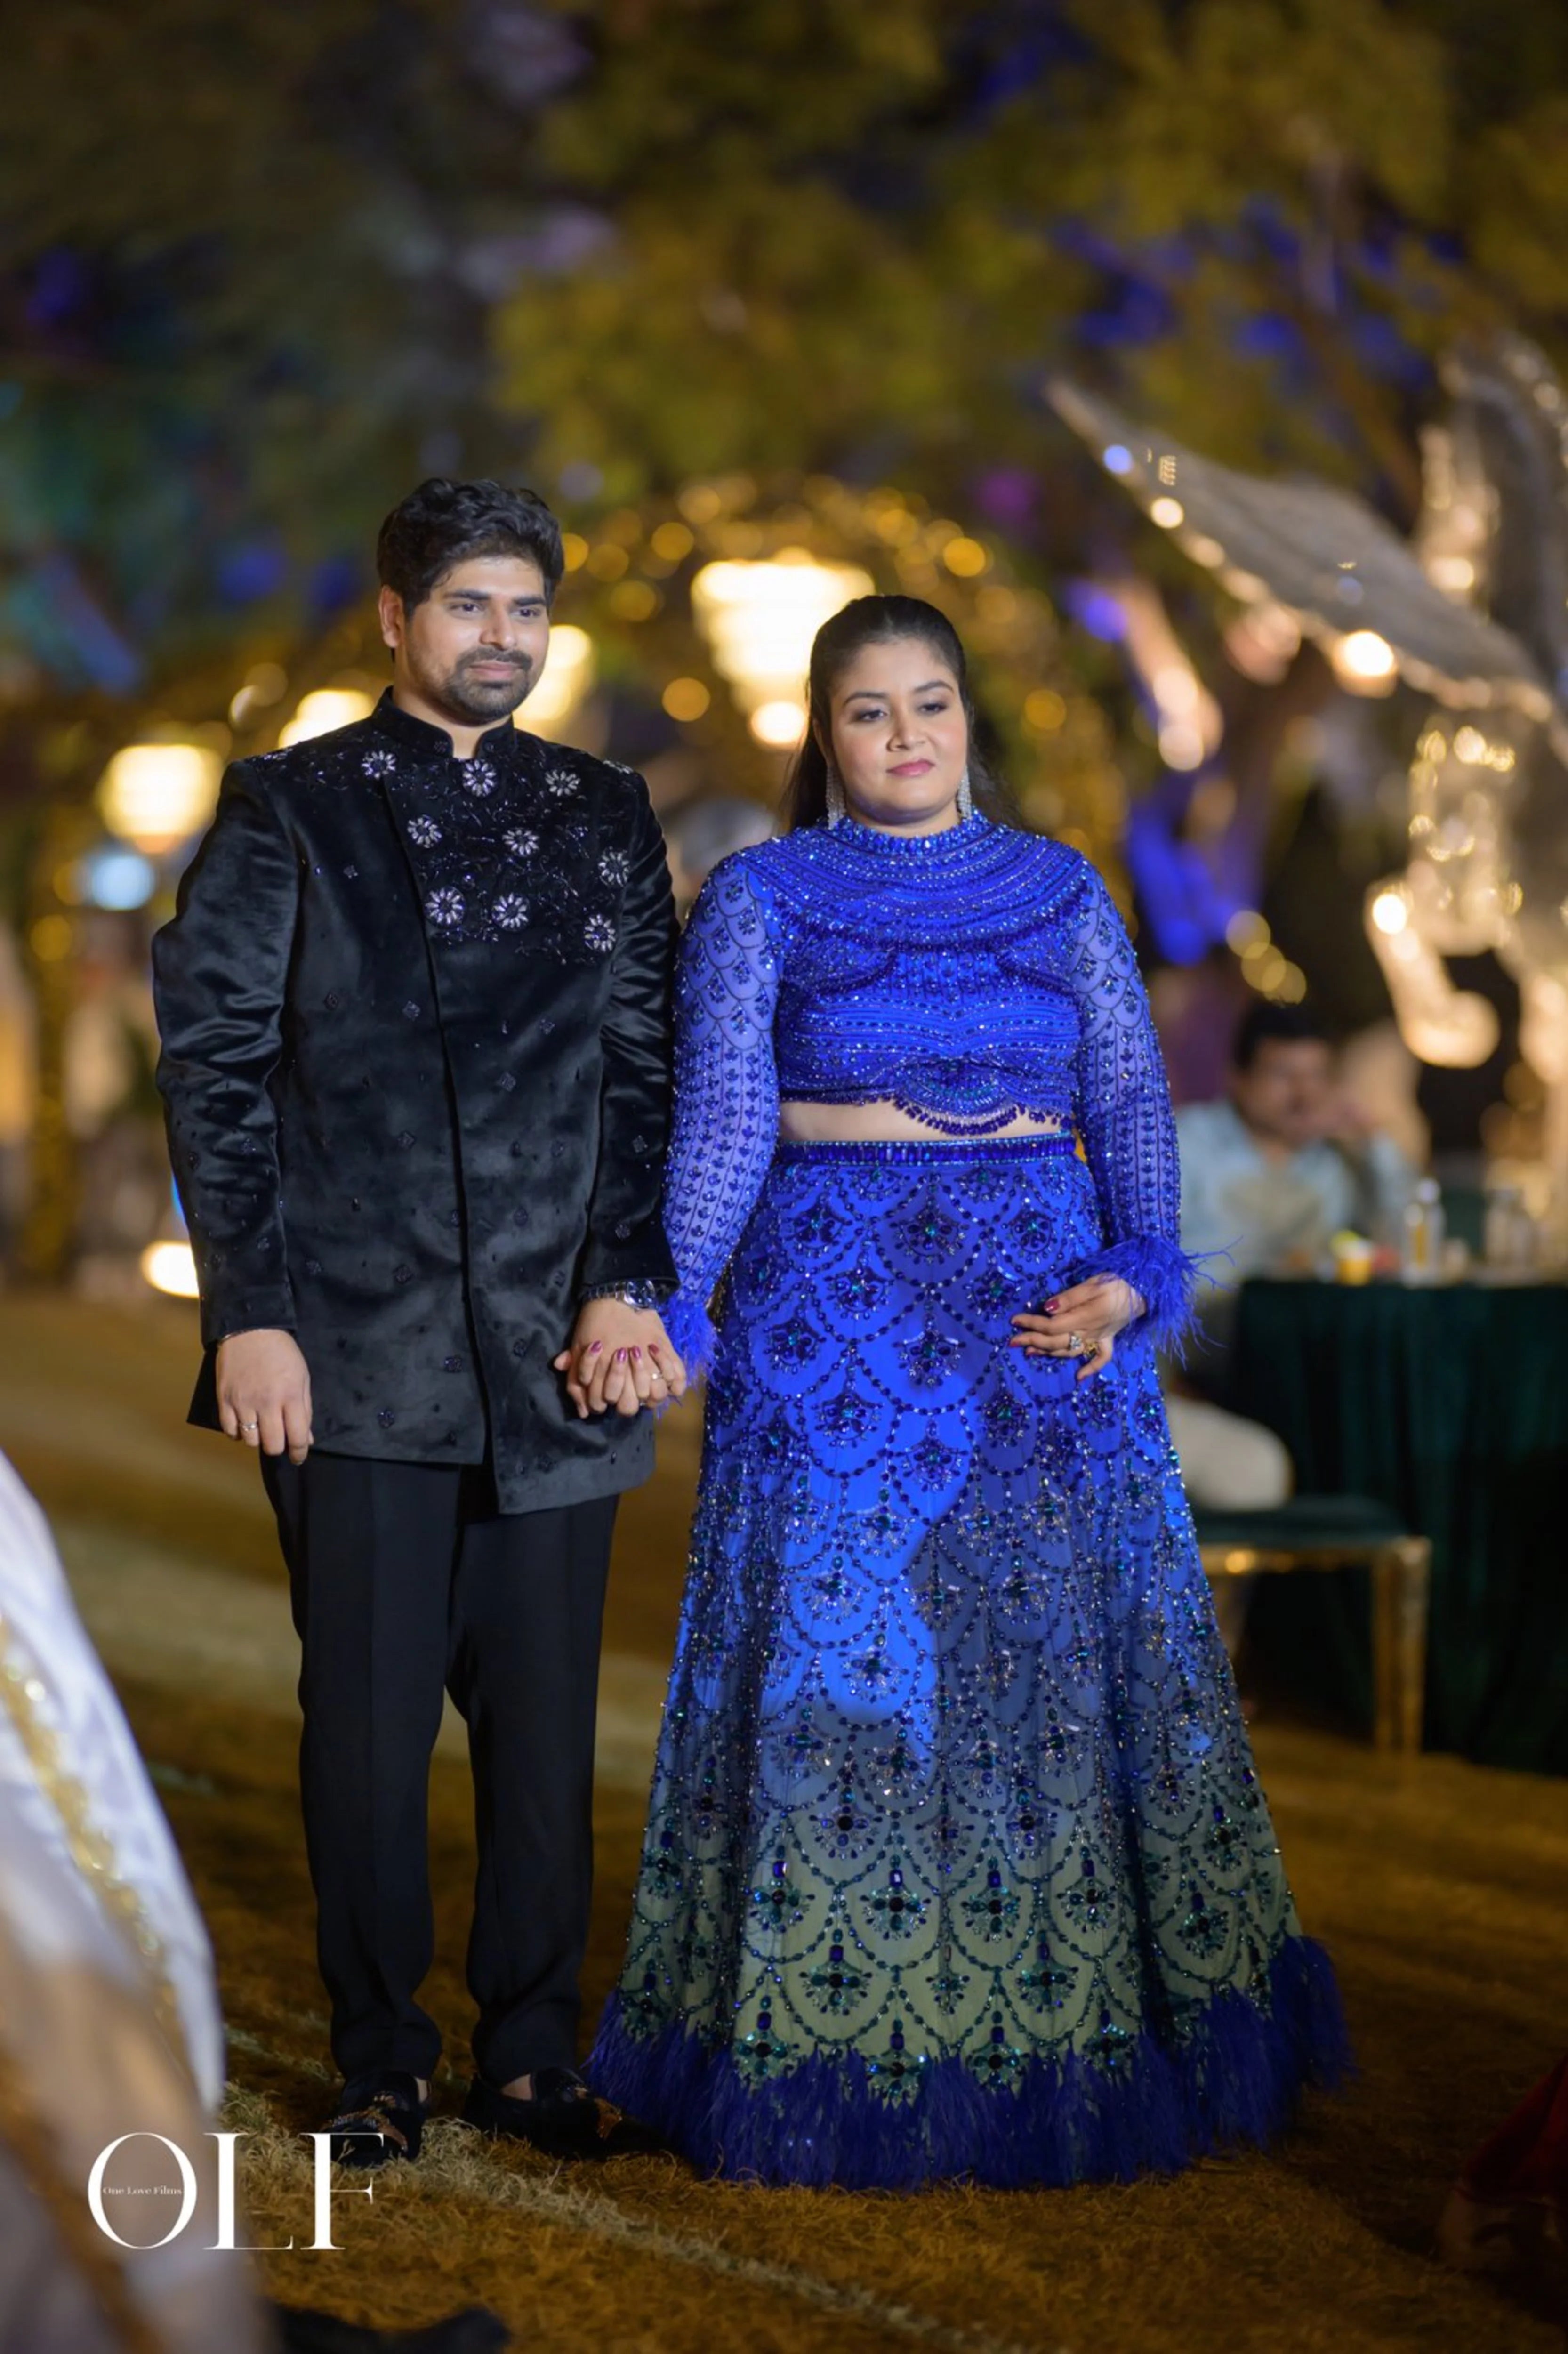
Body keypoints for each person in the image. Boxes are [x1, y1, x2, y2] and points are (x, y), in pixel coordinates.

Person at [589, 595, 1348, 2189]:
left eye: (928, 703)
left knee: (1048, 1665)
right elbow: (722, 1122)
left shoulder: (1061, 887)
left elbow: (1130, 1098)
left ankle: (1063, 2036)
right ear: (825, 732)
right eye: (868, 710)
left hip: (1038, 1323)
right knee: (833, 1656)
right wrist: (670, 1300)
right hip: (833, 1322)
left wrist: (1137, 1272)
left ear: (964, 718)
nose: (905, 735)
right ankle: (826, 2046)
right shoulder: (762, 896)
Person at [153, 478, 683, 2169]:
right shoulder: (291, 807)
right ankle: (378, 2059)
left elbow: (645, 1069)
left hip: (562, 1355)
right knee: (369, 1738)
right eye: (469, 605)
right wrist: (251, 1316)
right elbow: (215, 1070)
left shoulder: (604, 809)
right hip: (353, 1350)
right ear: (396, 617)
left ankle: (531, 2056)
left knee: (541, 1742)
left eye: (527, 609)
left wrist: (626, 1280)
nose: (502, 638)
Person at [1166, 1001, 1415, 1520]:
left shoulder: (1334, 1162)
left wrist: (1371, 1141)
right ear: (1238, 1078)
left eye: (1317, 1076)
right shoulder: (1186, 1143)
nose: (1304, 1095)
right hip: (1197, 1355)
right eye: (1283, 1075)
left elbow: (1406, 1235)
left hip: (1301, 1356)